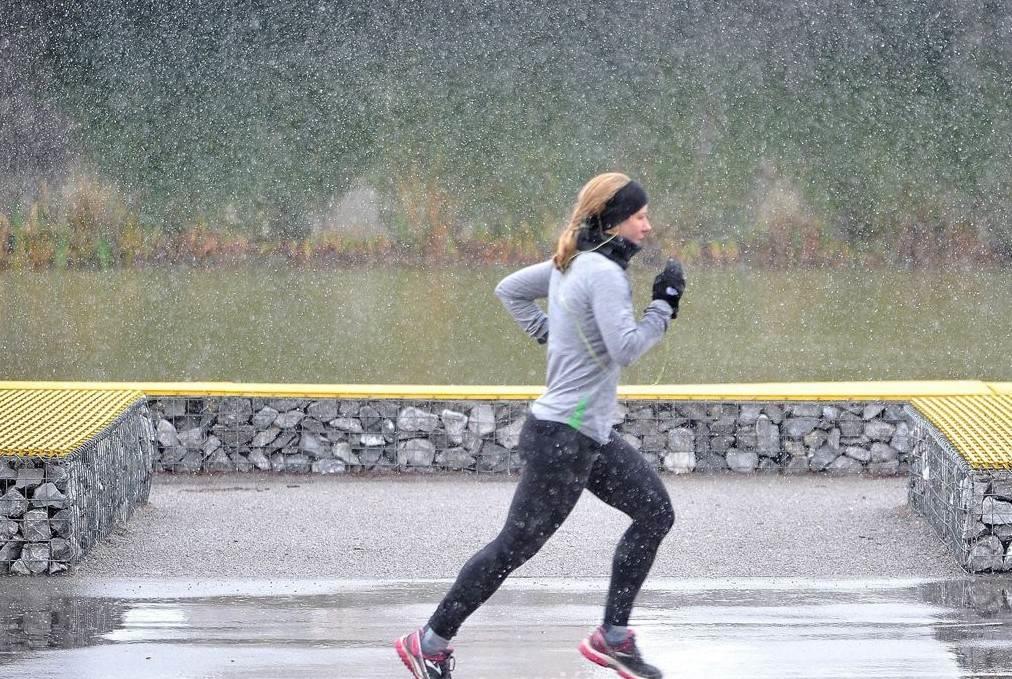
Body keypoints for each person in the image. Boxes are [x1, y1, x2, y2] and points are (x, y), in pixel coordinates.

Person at [395, 172, 686, 679]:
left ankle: (613, 638)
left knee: (655, 513)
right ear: (616, 220)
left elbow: (508, 289)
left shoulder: (570, 263)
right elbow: (627, 348)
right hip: (563, 440)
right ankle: (429, 641)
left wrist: (554, 335)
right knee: (514, 547)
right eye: (640, 215)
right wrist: (664, 304)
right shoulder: (601, 272)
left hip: (584, 435)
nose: (648, 224)